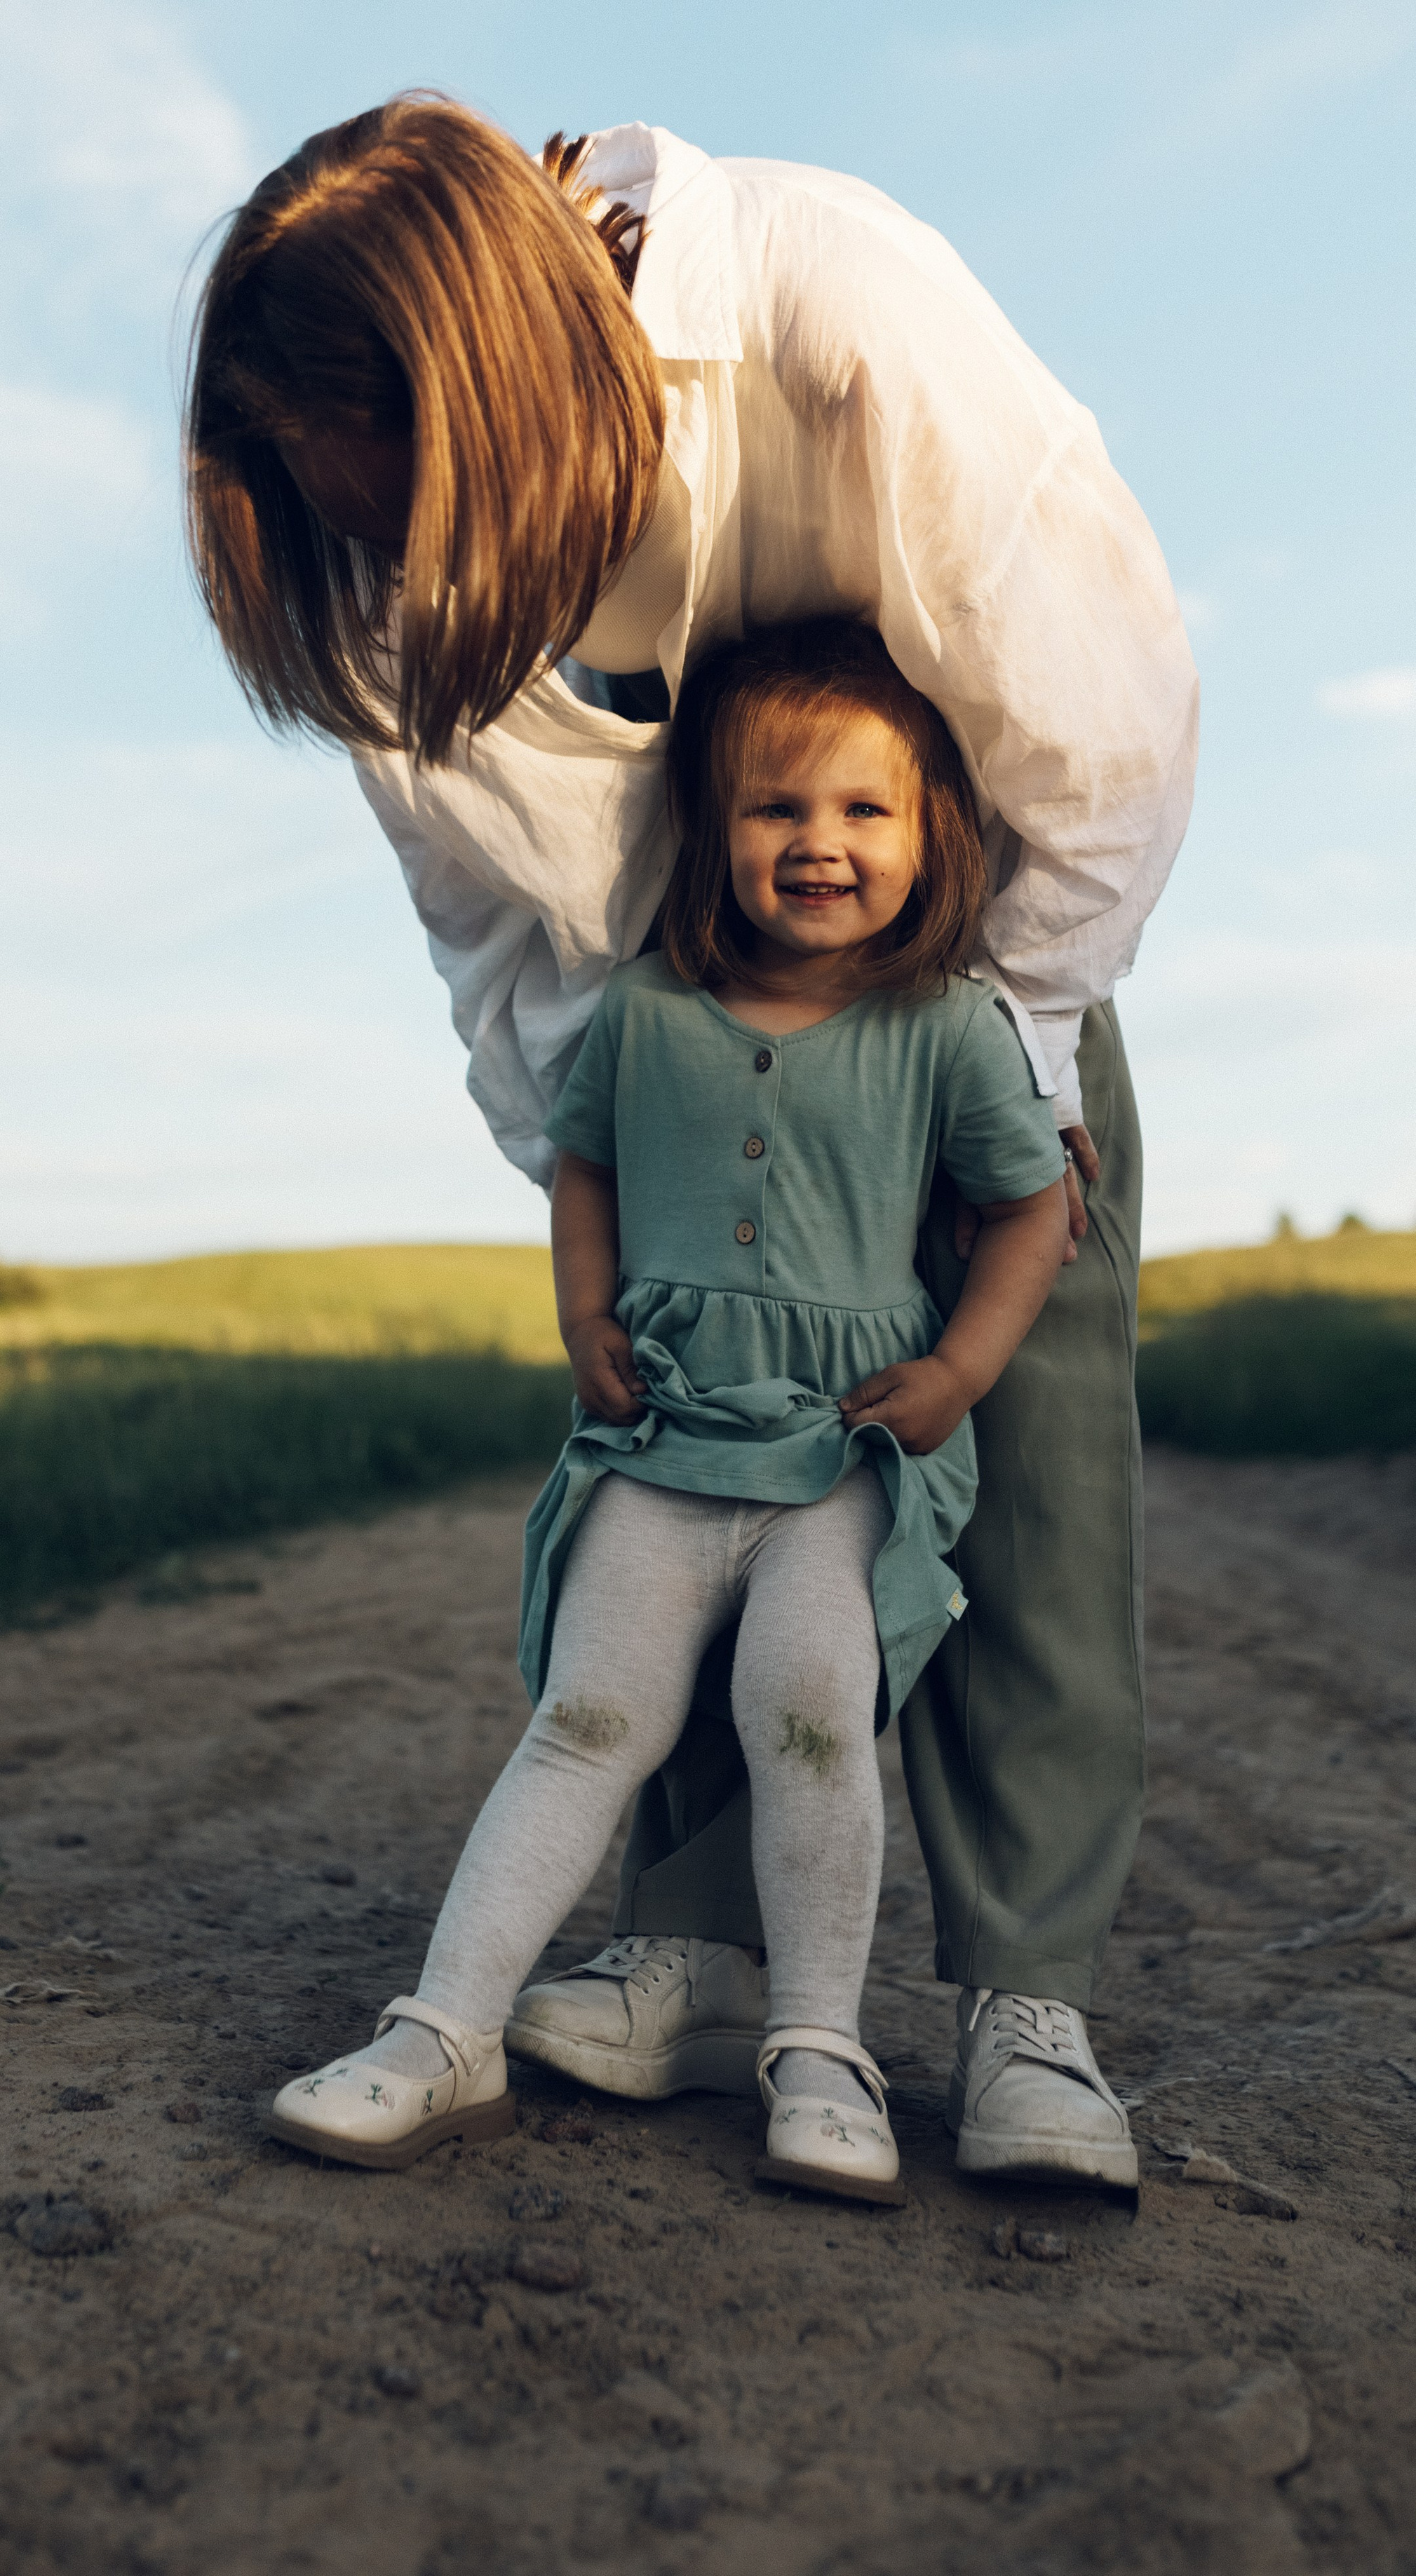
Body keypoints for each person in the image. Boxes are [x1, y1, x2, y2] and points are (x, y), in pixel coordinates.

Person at [184, 97, 1197, 2190]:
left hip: (979, 971)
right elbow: (488, 921)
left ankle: (1026, 2005)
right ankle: (696, 1956)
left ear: (510, 390)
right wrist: (628, 1182)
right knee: (691, 1492)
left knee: (1033, 1483)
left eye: (422, 516)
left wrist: (979, 1078)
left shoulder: (850, 323)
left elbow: (1103, 725)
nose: (403, 580)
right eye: (352, 534)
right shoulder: (363, 550)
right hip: (685, 1022)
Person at [269, 621, 1069, 2195]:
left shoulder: (948, 1028)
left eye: (863, 811)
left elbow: (1028, 1206)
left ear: (929, 835)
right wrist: (582, 1316)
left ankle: (818, 2047)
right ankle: (441, 2032)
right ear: (715, 833)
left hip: (838, 1462)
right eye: (777, 810)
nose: (820, 843)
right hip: (663, 1445)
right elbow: (586, 1165)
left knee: (808, 1717)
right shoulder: (646, 1011)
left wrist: (961, 1370)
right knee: (585, 1722)